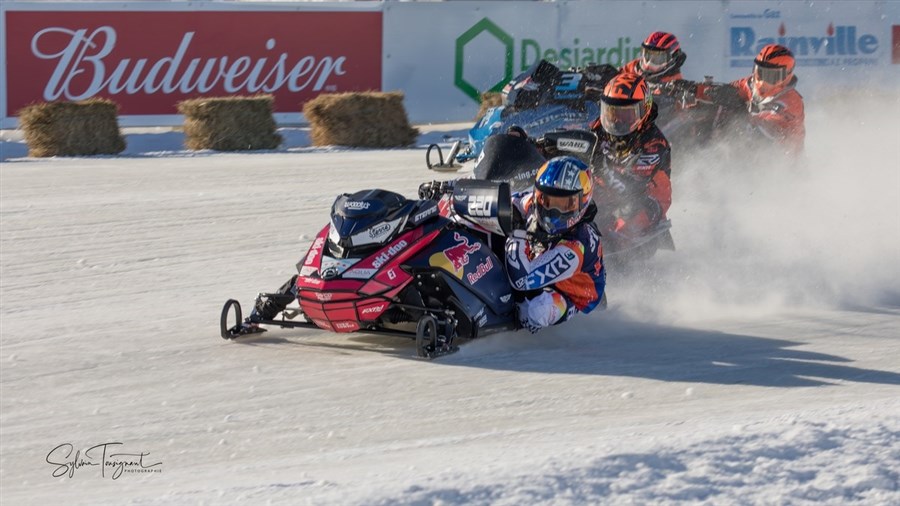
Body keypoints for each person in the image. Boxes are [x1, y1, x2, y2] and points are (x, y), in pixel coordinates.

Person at [504, 156, 606, 333]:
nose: (554, 211)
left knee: (536, 311)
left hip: (574, 294)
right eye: (549, 201)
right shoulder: (533, 201)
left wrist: (517, 232)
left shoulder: (576, 247)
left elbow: (521, 281)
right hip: (543, 258)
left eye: (565, 204)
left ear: (583, 201)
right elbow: (505, 202)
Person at [586, 72, 672, 240]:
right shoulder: (602, 127)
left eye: (625, 115)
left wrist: (600, 168)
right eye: (612, 113)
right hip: (607, 191)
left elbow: (631, 191)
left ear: (644, 110)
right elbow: (585, 143)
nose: (617, 122)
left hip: (646, 201)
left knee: (629, 218)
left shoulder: (654, 144)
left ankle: (613, 244)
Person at [704, 43, 805, 155]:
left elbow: (766, 128)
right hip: (748, 150)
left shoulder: (791, 101)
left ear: (786, 76)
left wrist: (741, 110)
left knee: (744, 125)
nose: (762, 81)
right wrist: (697, 90)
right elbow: (728, 90)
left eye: (771, 76)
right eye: (760, 72)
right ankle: (710, 150)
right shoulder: (749, 84)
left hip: (782, 158)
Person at [621, 31, 686, 86]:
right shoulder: (634, 68)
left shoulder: (676, 87)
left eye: (657, 59)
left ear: (671, 59)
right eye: (647, 55)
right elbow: (617, 75)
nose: (649, 63)